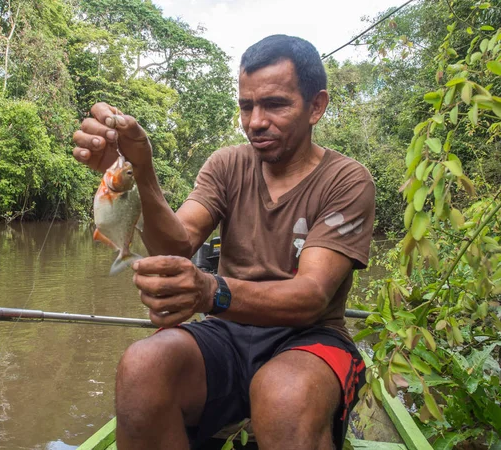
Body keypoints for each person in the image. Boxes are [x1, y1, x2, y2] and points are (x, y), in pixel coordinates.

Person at [73, 34, 375, 450]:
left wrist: (210, 291)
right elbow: (176, 244)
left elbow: (311, 296)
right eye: (246, 106)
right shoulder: (227, 163)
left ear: (316, 107)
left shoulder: (347, 180)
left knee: (282, 395)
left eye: (275, 104)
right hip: (229, 333)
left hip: (310, 337)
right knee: (143, 366)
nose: (255, 121)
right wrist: (140, 171)